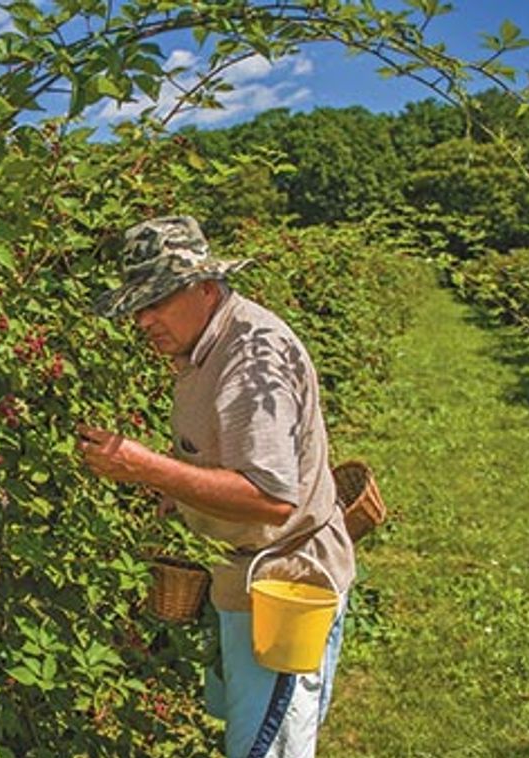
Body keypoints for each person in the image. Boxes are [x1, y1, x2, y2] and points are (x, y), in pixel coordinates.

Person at [77, 216, 355, 758]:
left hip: (284, 584)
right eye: (137, 306)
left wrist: (148, 467)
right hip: (249, 577)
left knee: (266, 750)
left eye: (156, 301)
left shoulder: (251, 361)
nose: (143, 319)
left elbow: (272, 499)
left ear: (205, 287)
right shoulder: (209, 342)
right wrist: (177, 490)